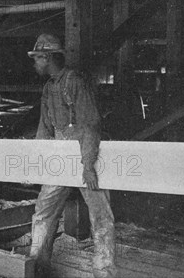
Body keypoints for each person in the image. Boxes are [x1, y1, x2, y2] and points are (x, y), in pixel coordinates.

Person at [27, 34, 116, 278]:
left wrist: (88, 165)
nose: (35, 63)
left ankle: (104, 271)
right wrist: (37, 163)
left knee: (101, 215)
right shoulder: (48, 88)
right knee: (44, 211)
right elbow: (44, 129)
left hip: (87, 153)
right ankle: (36, 266)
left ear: (47, 57)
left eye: (37, 58)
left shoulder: (75, 81)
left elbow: (91, 124)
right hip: (60, 156)